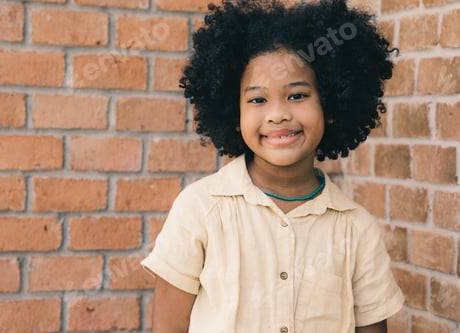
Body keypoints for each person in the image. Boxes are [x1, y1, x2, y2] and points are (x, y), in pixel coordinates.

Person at [141, 0, 404, 332]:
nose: (277, 114)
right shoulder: (200, 210)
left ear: (332, 104)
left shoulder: (356, 229)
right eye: (257, 100)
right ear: (233, 113)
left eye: (297, 95)